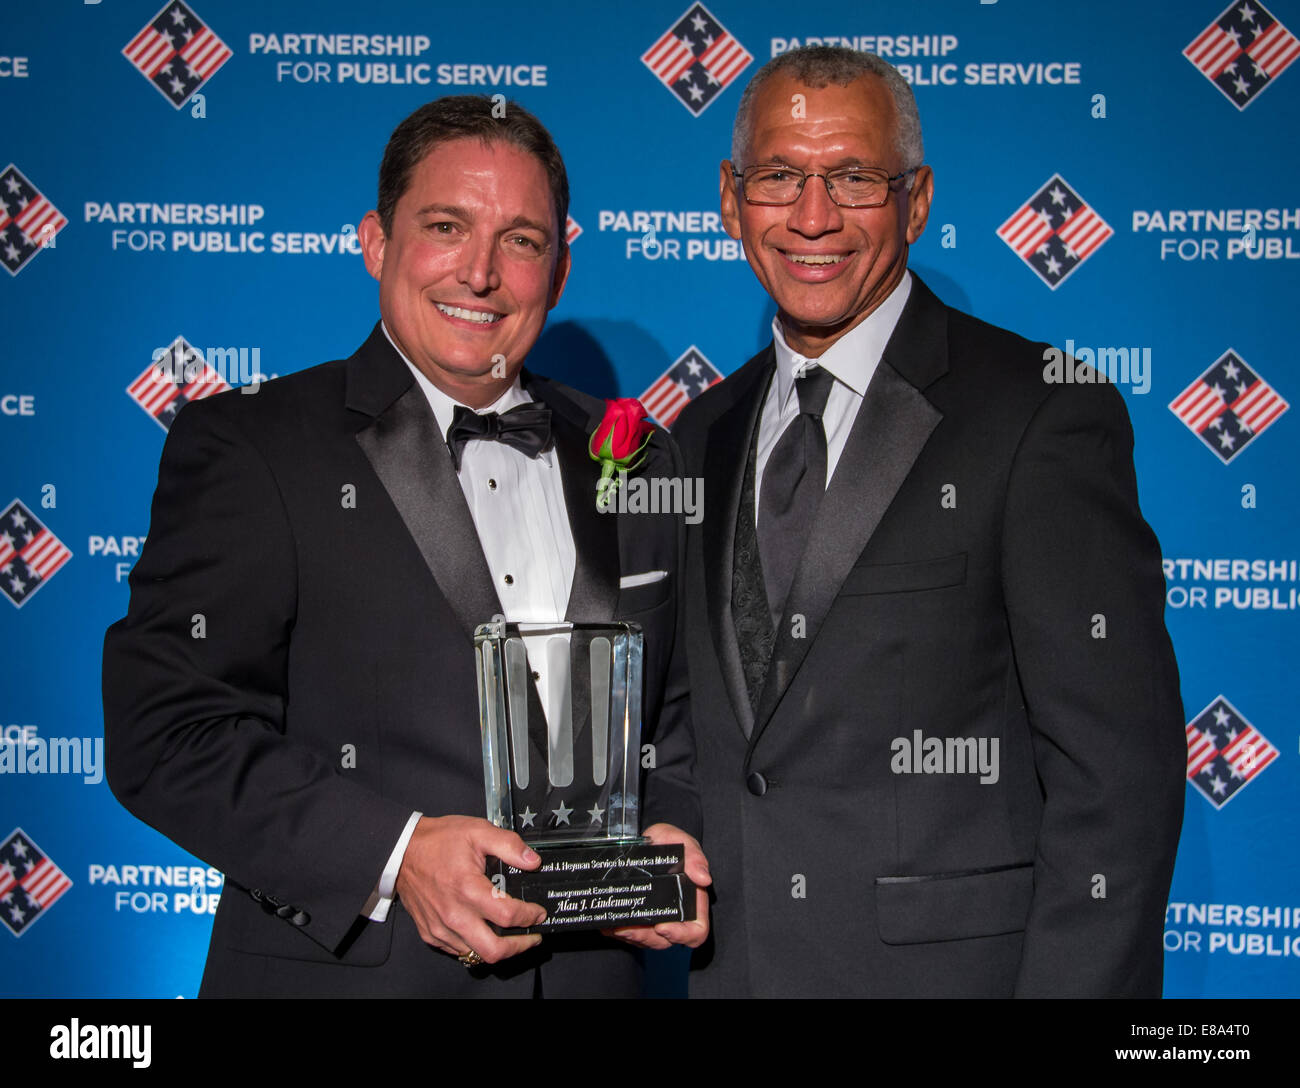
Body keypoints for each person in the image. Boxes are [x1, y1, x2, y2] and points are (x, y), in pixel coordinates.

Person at [102, 95, 707, 998]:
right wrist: (395, 853)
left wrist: (673, 829)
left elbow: (679, 723)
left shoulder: (638, 453)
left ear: (561, 270)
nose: (481, 273)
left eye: (523, 241)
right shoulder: (254, 447)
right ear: (377, 244)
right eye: (446, 226)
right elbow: (167, 734)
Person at [665, 46, 1185, 997]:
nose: (813, 216)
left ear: (917, 200)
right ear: (733, 201)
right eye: (781, 176)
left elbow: (1120, 784)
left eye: (854, 177)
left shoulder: (1038, 412)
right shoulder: (699, 435)